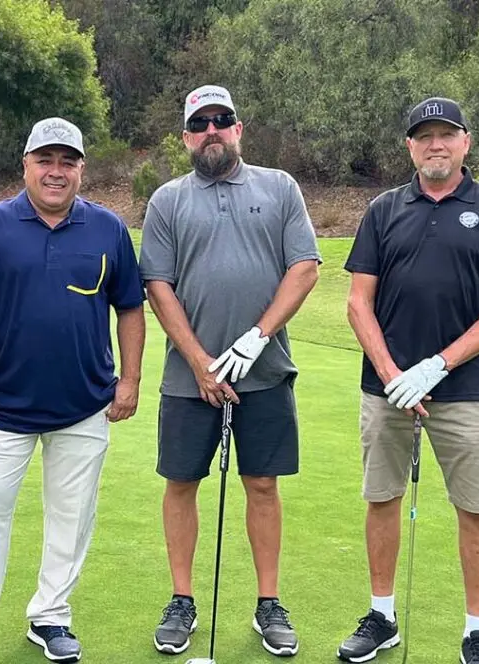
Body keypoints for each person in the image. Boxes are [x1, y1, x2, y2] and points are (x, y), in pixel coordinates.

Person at [0, 117, 146, 664]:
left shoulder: (108, 229)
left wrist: (131, 379)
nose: (56, 172)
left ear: (81, 169)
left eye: (67, 162)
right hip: (5, 402)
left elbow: (129, 308)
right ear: (24, 165)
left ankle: (51, 615)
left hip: (84, 402)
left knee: (73, 515)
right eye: (45, 160)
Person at [337, 97, 479, 664]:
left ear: (466, 141)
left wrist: (437, 365)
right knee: (382, 498)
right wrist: (394, 373)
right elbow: (357, 302)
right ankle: (382, 616)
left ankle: (476, 630)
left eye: (447, 134)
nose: (436, 144)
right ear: (410, 147)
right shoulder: (383, 209)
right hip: (387, 391)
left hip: (465, 389)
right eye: (425, 136)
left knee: (474, 508)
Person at [139, 84, 322, 658]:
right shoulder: (167, 199)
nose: (213, 130)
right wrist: (198, 361)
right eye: (201, 123)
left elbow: (304, 268)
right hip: (187, 378)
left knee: (262, 485)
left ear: (239, 128)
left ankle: (269, 603)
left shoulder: (279, 188)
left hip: (264, 371)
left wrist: (256, 336)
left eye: (224, 120)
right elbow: (157, 286)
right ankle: (182, 600)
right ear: (187, 136)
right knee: (182, 483)